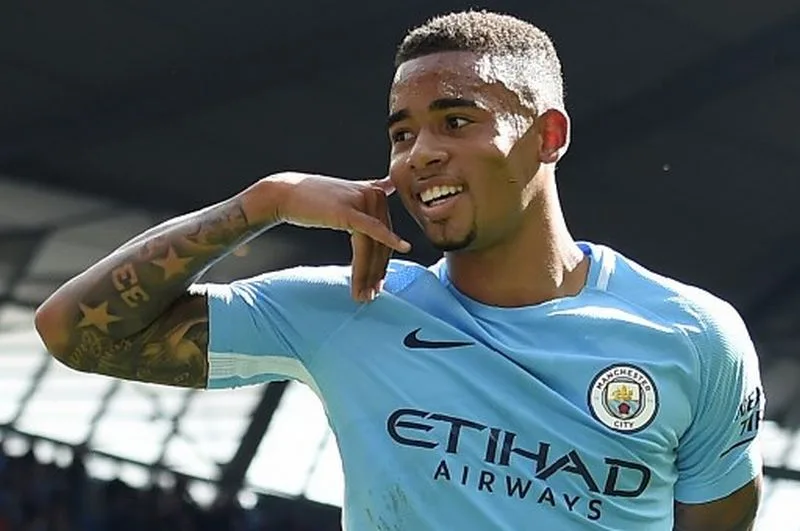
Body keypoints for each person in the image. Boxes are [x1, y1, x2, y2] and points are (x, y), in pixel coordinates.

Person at [34, 10, 764, 530]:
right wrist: (266, 201)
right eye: (401, 132)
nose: (419, 154)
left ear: (548, 135)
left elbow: (722, 513)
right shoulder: (350, 309)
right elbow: (73, 330)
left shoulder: (694, 334)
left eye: (455, 120)